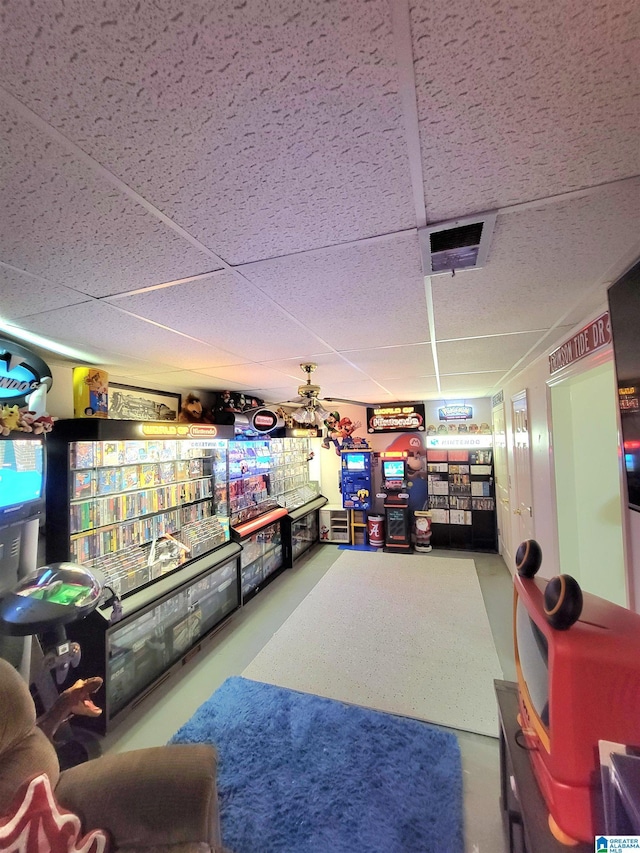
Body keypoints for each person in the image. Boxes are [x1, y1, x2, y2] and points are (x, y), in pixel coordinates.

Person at [37, 676, 103, 742]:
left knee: (51, 719)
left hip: (64, 706)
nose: (94, 690)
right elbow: (75, 701)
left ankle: (46, 737)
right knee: (52, 721)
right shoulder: (78, 689)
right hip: (63, 707)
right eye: (95, 687)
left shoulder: (82, 689)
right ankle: (46, 738)